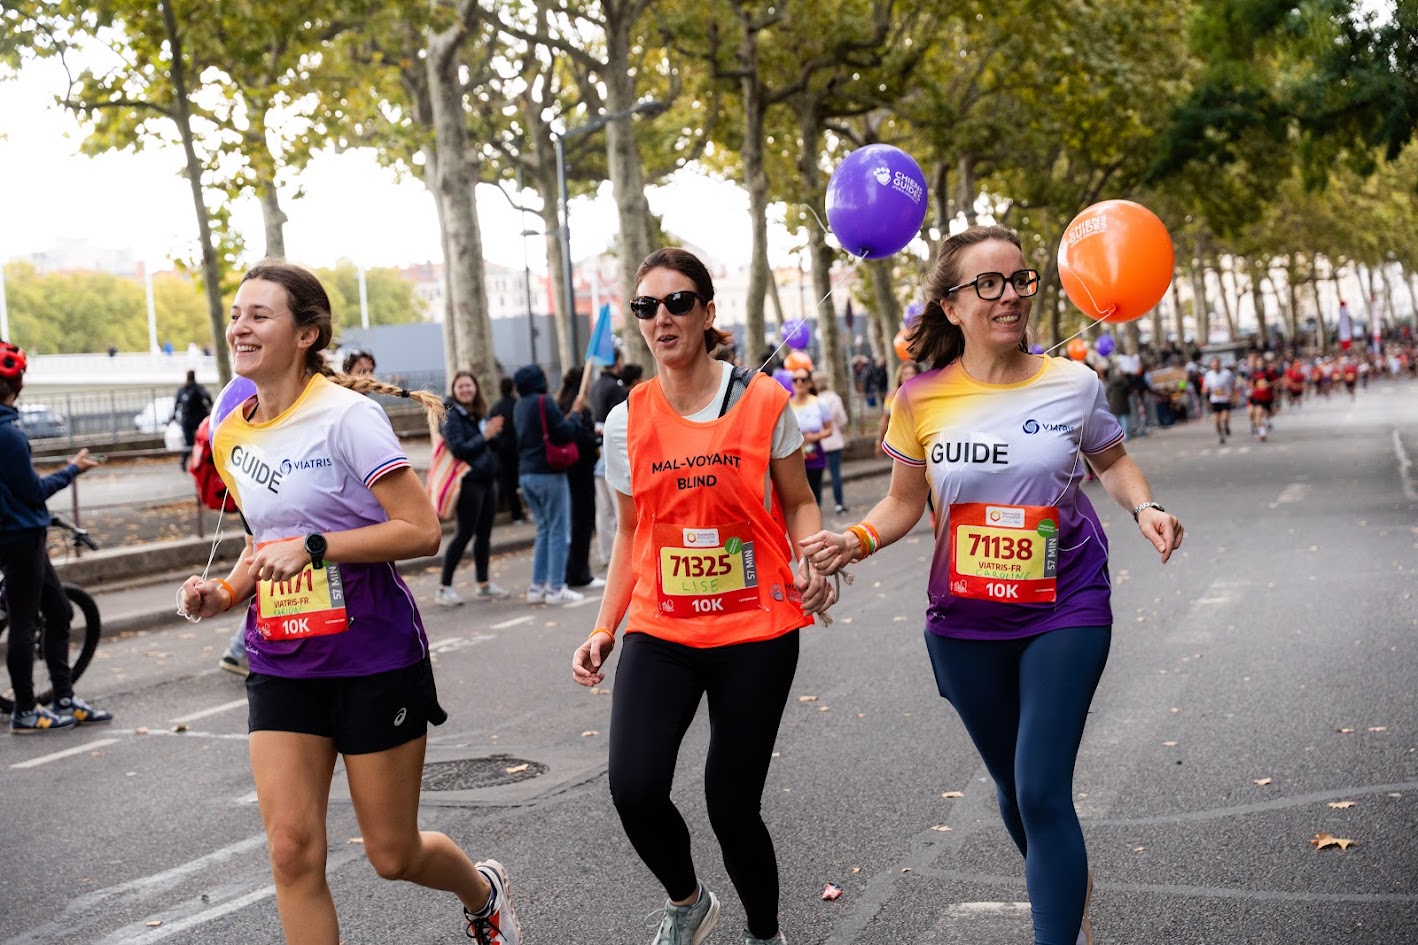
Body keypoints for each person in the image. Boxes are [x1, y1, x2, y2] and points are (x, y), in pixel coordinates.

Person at [799, 226, 1183, 945]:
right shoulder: (919, 398)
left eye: (1020, 280)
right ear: (951, 306)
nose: (1010, 296)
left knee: (1040, 787)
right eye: (989, 284)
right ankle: (1067, 894)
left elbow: (1112, 461)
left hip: (1066, 604)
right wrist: (852, 541)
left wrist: (1145, 507)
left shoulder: (1074, 383)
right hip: (965, 623)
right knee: (1013, 788)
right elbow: (903, 502)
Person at [174, 260, 520, 945]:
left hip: (373, 657)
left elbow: (421, 530)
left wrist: (317, 547)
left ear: (306, 334)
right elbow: (261, 540)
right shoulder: (232, 429)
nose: (240, 327)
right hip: (281, 660)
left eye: (260, 315)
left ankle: (482, 891)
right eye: (237, 315)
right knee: (290, 851)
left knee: (393, 854)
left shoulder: (347, 417)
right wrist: (225, 592)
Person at [572, 247, 834, 945]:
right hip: (663, 628)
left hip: (756, 630)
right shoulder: (625, 420)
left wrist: (810, 556)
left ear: (707, 312)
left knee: (731, 803)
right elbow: (631, 531)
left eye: (678, 302)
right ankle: (688, 901)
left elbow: (799, 500)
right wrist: (604, 627)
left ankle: (765, 934)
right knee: (633, 786)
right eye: (646, 306)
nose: (662, 318)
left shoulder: (764, 401)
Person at [0, 341, 113, 734]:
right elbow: (33, 491)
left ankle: (63, 698)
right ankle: (25, 710)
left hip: (16, 533)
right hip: (20, 537)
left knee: (60, 610)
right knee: (24, 622)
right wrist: (73, 469)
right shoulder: (8, 434)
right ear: (18, 384)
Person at [512, 362, 585, 606]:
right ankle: (556, 587)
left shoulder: (519, 405)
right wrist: (575, 414)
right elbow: (564, 432)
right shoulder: (544, 401)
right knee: (559, 530)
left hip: (526, 473)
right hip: (549, 472)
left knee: (543, 529)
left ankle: (537, 586)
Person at [435, 370, 509, 606]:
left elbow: (490, 445)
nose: (466, 390)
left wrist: (494, 434)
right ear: (454, 390)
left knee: (484, 534)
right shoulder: (450, 413)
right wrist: (485, 435)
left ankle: (483, 584)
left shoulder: (477, 412)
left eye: (469, 385)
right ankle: (444, 587)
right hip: (468, 481)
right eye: (461, 386)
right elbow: (459, 448)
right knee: (464, 533)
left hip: (487, 479)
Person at [557, 366, 604, 590]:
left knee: (573, 522)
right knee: (583, 522)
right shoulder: (577, 409)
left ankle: (571, 572)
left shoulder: (560, 404)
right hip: (581, 470)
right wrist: (596, 438)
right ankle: (581, 573)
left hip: (568, 470)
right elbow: (577, 436)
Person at [589, 349, 630, 567]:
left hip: (600, 460)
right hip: (615, 456)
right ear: (618, 361)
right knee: (621, 513)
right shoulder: (615, 388)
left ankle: (607, 555)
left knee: (603, 512)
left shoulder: (596, 386)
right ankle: (619, 559)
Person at [788, 369, 831, 507]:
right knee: (797, 497)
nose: (799, 383)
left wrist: (815, 436)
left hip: (814, 455)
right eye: (795, 380)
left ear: (810, 383)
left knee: (815, 494)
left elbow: (829, 429)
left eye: (803, 379)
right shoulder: (787, 405)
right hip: (793, 456)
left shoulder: (819, 403)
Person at [811, 369, 851, 513]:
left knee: (816, 477)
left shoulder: (812, 400)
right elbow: (842, 419)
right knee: (835, 474)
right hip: (833, 439)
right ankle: (839, 503)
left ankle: (816, 505)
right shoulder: (834, 398)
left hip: (816, 442)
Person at [487, 376, 526, 523]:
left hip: (502, 451)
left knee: (509, 484)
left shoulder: (496, 408)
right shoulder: (519, 405)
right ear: (513, 389)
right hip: (518, 449)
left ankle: (516, 514)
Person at [873, 360, 919, 456]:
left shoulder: (924, 394)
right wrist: (879, 441)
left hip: (919, 442)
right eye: (905, 374)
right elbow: (885, 419)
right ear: (900, 377)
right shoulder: (893, 396)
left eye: (912, 373)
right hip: (899, 444)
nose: (909, 376)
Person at [173, 369, 213, 468]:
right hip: (199, 418)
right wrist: (210, 408)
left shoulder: (182, 389)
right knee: (203, 440)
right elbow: (207, 397)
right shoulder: (198, 387)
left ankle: (183, 460)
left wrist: (173, 416)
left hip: (186, 418)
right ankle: (206, 461)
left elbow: (176, 404)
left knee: (188, 442)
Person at [1201, 357, 1235, 445]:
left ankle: (1226, 426)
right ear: (1211, 365)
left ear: (1220, 363)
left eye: (1217, 363)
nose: (1215, 365)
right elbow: (1205, 387)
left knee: (1225, 418)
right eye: (1213, 364)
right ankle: (1221, 435)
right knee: (1216, 422)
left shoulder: (1227, 373)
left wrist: (1232, 395)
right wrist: (1205, 391)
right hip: (1215, 400)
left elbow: (1232, 384)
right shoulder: (1208, 375)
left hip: (1225, 398)